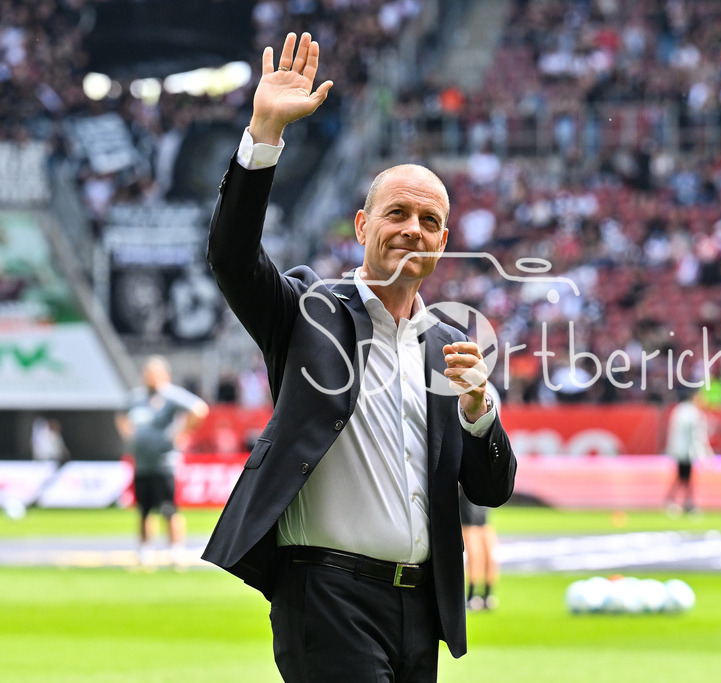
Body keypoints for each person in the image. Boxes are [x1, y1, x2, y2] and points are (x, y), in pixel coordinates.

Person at [200, 32, 517, 683]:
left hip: (419, 608)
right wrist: (264, 132)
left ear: (446, 242)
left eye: (430, 221)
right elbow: (233, 258)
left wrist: (481, 411)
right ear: (362, 225)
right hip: (326, 597)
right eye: (397, 212)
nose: (414, 230)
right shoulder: (309, 310)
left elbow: (492, 487)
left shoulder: (447, 346)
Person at [116, 356, 208, 569]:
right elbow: (121, 416)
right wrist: (129, 437)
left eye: (153, 374)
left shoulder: (170, 395)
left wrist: (180, 433)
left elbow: (199, 409)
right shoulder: (136, 397)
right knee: (144, 509)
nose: (148, 378)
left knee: (169, 509)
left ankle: (176, 551)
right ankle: (145, 551)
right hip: (141, 463)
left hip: (164, 463)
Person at [461, 386, 503, 612]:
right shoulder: (492, 391)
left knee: (470, 532)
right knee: (484, 529)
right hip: (488, 468)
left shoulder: (470, 388)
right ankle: (487, 594)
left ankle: (470, 593)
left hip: (471, 467)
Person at [664, 388, 713, 515]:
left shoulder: (679, 410)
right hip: (686, 452)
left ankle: (679, 501)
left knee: (683, 478)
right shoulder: (692, 412)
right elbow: (696, 435)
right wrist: (702, 452)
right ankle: (683, 502)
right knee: (684, 478)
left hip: (680, 451)